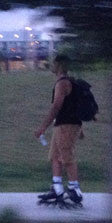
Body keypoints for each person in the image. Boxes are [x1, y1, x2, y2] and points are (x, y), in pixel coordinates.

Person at [34, 54, 84, 206]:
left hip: (66, 125)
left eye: (53, 63)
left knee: (66, 157)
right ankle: (57, 188)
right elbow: (75, 106)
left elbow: (57, 106)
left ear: (60, 65)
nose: (51, 65)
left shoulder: (62, 83)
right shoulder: (70, 82)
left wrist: (43, 127)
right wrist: (80, 127)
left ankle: (75, 190)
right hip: (64, 124)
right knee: (55, 156)